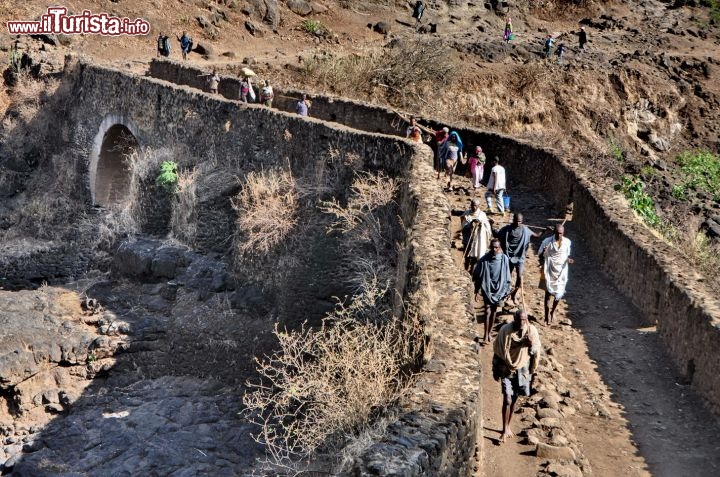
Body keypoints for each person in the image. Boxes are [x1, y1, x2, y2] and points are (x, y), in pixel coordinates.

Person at [493, 310, 541, 443]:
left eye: (523, 320)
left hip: (522, 370)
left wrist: (530, 345)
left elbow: (536, 350)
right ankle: (504, 430)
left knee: (514, 399)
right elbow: (498, 350)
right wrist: (495, 369)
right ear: (514, 319)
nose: (521, 323)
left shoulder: (531, 331)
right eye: (518, 320)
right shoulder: (505, 331)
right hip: (506, 369)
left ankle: (508, 426)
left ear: (526, 320)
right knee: (507, 398)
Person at [496, 213, 545, 306]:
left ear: (522, 221)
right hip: (508, 256)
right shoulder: (507, 229)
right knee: (507, 276)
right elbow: (497, 235)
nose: (518, 223)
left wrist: (544, 230)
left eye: (520, 221)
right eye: (516, 221)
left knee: (519, 276)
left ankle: (514, 294)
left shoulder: (525, 230)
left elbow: (536, 236)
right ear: (513, 220)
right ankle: (505, 294)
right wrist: (491, 225)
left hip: (520, 258)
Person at [473, 238, 511, 345]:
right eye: (493, 247)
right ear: (490, 247)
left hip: (499, 289)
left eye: (496, 247)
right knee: (487, 311)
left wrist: (507, 289)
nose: (494, 249)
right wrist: (476, 290)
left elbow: (508, 276)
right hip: (487, 287)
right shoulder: (484, 260)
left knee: (494, 311)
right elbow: (478, 275)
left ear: (499, 248)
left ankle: (489, 332)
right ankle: (485, 335)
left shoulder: (504, 259)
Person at [538, 224, 573, 326]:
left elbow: (566, 256)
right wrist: (543, 253)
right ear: (554, 232)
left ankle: (553, 311)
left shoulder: (567, 242)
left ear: (563, 233)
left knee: (559, 294)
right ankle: (546, 317)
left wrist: (568, 260)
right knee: (547, 295)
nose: (559, 235)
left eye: (561, 234)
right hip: (548, 270)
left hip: (561, 271)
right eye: (557, 233)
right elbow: (539, 255)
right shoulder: (547, 242)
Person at [462, 198, 493, 273]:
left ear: (478, 206)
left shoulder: (482, 215)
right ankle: (465, 271)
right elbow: (463, 227)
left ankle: (472, 272)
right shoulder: (466, 214)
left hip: (478, 240)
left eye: (475, 206)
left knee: (475, 257)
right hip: (468, 239)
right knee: (467, 257)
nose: (473, 207)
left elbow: (487, 228)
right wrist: (471, 224)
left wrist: (481, 224)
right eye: (472, 205)